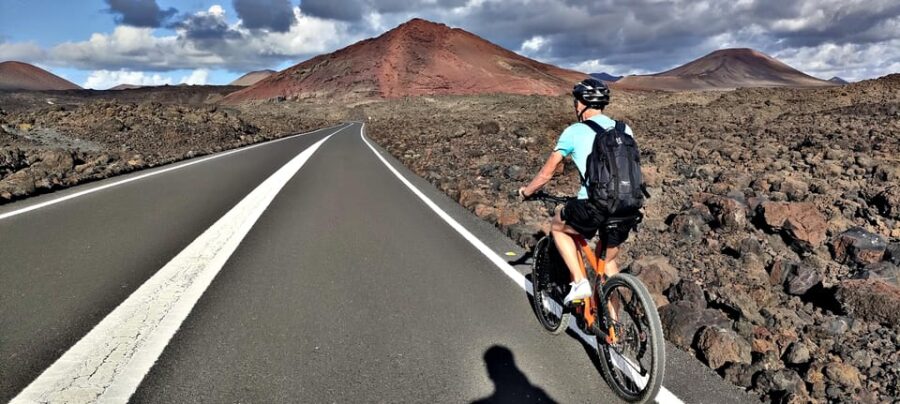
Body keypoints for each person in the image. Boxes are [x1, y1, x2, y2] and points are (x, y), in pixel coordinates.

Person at [518, 78, 635, 305]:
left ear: (582, 103)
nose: (575, 105)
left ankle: (580, 281)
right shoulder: (624, 129)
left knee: (558, 226)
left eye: (576, 101)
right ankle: (615, 333)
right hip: (627, 206)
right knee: (607, 263)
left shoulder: (574, 131)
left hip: (595, 205)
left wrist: (526, 192)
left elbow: (546, 174)